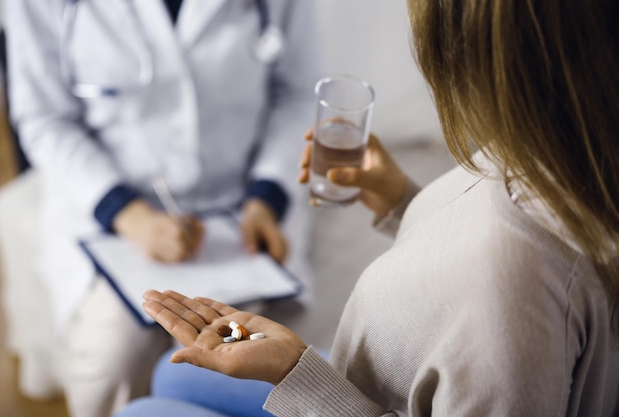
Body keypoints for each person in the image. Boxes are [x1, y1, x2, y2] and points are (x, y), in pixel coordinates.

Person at [113, 0, 619, 415]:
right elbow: (472, 247)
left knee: (142, 412)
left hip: (349, 401)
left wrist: (299, 378)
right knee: (169, 376)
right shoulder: (561, 151)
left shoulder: (513, 287)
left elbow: (498, 274)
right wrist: (402, 201)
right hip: (368, 384)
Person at [3, 1, 318, 416]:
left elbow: (297, 94)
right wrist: (127, 214)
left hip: (234, 210)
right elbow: (44, 118)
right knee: (109, 364)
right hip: (109, 211)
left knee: (231, 360)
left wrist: (267, 197)